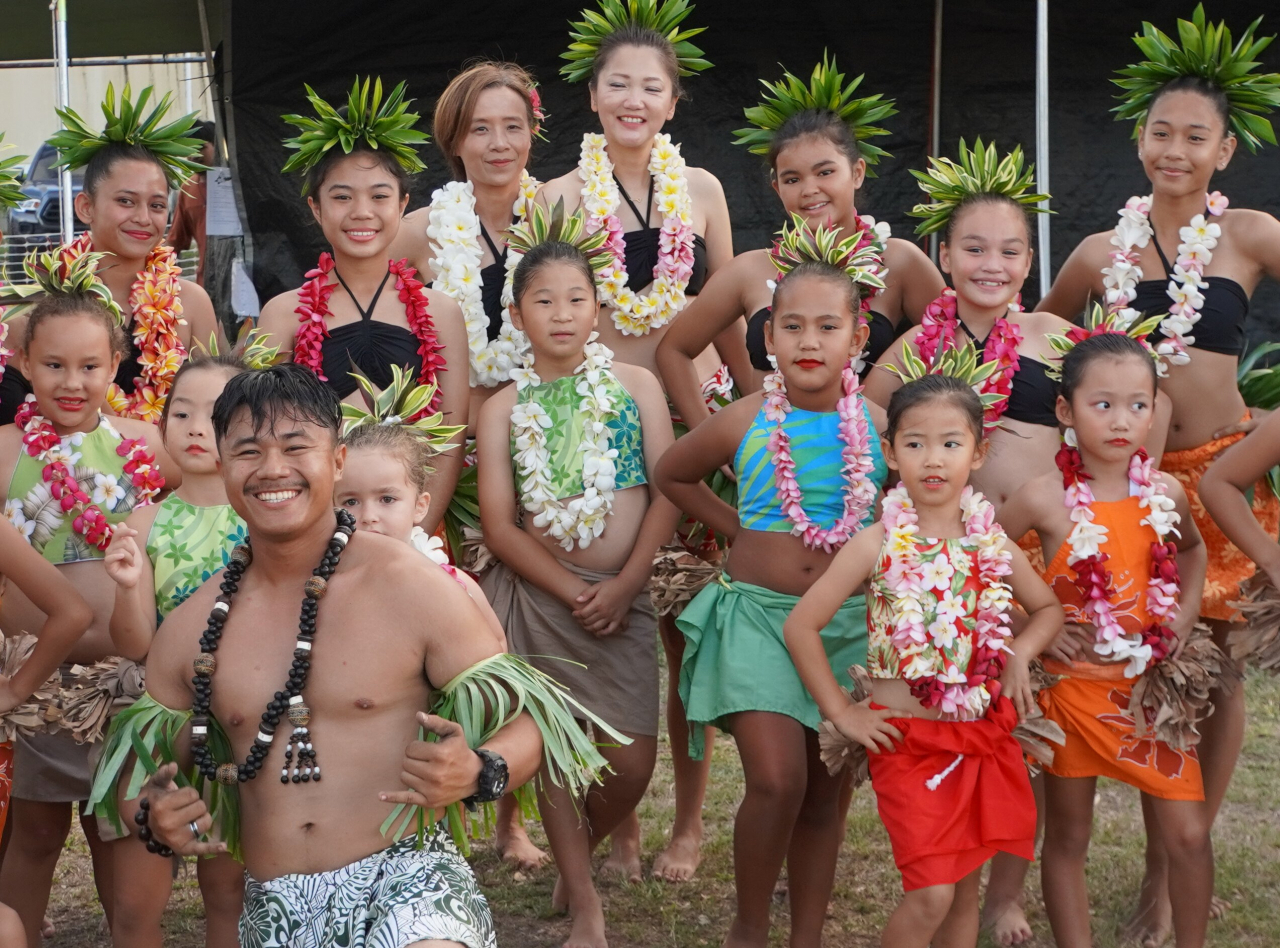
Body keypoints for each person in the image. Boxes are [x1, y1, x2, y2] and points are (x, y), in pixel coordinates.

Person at [115, 361, 617, 948]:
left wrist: (483, 769)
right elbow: (134, 777)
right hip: (276, 903)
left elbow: (529, 722)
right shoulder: (193, 628)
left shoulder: (411, 586)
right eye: (249, 452)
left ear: (335, 461)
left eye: (295, 446)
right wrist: (153, 816)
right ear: (223, 466)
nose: (273, 469)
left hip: (410, 879)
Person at [1037, 8, 1280, 938]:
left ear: (1225, 150)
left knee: (1212, 673)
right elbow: (1042, 331)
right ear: (1139, 142)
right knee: (1135, 663)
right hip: (1127, 485)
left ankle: (1179, 856)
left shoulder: (1250, 235)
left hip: (1221, 471)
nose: (1175, 149)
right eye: (1161, 133)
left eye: (1196, 137)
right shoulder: (1102, 254)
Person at [655, 222, 887, 948]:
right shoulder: (747, 419)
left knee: (824, 793)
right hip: (756, 620)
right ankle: (749, 929)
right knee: (779, 780)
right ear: (768, 338)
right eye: (791, 325)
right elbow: (672, 474)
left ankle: (806, 937)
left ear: (859, 338)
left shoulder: (881, 426)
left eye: (827, 325)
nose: (808, 339)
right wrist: (736, 531)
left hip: (844, 629)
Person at [784, 372, 1062, 948]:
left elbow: (1048, 609)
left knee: (962, 893)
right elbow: (801, 625)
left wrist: (1021, 655)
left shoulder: (993, 544)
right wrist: (842, 712)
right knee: (932, 892)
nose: (932, 459)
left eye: (950, 443)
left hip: (980, 736)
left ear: (978, 452)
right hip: (908, 745)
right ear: (890, 453)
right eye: (915, 444)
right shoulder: (878, 542)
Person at [476, 203, 678, 948]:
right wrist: (572, 590)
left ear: (597, 306)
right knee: (556, 752)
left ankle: (579, 856)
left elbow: (666, 492)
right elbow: (501, 525)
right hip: (542, 597)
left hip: (625, 594)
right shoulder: (502, 409)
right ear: (518, 314)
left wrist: (624, 586)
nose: (561, 314)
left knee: (632, 761)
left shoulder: (636, 385)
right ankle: (586, 904)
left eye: (575, 298)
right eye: (542, 300)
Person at [998, 331, 1210, 948]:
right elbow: (980, 563)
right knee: (1067, 838)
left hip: (1149, 692)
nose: (1123, 421)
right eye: (1103, 404)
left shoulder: (1164, 495)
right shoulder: (1043, 498)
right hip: (1072, 696)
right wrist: (1033, 626)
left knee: (1189, 835)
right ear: (1065, 410)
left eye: (1138, 405)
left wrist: (1187, 611)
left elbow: (1192, 552)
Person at [0, 250, 173, 948]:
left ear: (116, 365)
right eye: (54, 366)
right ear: (22, 363)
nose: (72, 383)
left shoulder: (145, 446)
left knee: (119, 829)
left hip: (123, 681)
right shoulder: (6, 449)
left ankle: (130, 933)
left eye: (91, 367)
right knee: (36, 831)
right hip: (33, 678)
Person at [657, 53, 944, 428]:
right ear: (776, 187)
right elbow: (674, 351)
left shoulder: (901, 263)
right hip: (775, 463)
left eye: (825, 172)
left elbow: (953, 345)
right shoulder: (750, 271)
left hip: (869, 465)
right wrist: (712, 438)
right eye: (792, 179)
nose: (810, 190)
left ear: (857, 173)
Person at [257, 77, 469, 535]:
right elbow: (262, 434)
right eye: (341, 197)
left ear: (403, 204)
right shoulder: (283, 313)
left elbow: (449, 440)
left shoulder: (441, 310)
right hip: (315, 528)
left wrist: (415, 538)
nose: (361, 212)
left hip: (414, 524)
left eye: (378, 195)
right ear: (315, 208)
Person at [93, 350, 255, 948]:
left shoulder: (262, 520)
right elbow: (134, 644)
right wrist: (130, 587)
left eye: (213, 414)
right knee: (134, 902)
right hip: (155, 716)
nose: (193, 427)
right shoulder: (144, 521)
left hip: (238, 719)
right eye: (179, 412)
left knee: (229, 895)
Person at [865, 139, 1104, 511]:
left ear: (1027, 262)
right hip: (947, 550)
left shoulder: (1054, 336)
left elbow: (1128, 388)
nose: (992, 265)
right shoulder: (916, 345)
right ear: (945, 255)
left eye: (1009, 252)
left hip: (1045, 536)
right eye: (974, 250)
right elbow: (856, 414)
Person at [0, 84, 224, 426]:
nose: (143, 218)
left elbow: (215, 418)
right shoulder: (38, 306)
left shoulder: (191, 304)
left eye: (157, 205)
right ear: (86, 207)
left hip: (172, 476)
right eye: (125, 201)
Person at [167, 120, 216, 286]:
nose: (194, 154)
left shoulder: (238, 184)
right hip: (207, 283)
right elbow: (175, 241)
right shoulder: (187, 189)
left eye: (201, 147)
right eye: (189, 149)